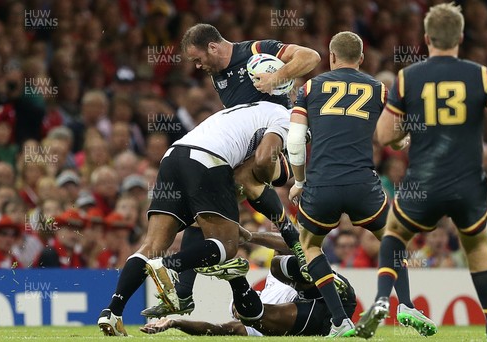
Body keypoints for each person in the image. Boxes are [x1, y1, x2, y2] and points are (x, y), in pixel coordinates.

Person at [356, 4, 487, 342]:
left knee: (393, 236)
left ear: (427, 38)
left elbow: (384, 136)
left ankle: (379, 301)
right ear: (461, 37)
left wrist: (406, 134)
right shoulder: (481, 75)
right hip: (468, 186)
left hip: (423, 185)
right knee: (477, 248)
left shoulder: (408, 77)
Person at [142, 24, 321, 318]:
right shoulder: (218, 76)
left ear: (213, 47)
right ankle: (185, 295)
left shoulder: (255, 51)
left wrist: (278, 76)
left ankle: (293, 241)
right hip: (240, 149)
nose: (198, 66)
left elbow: (311, 57)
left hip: (275, 141)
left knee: (246, 179)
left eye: (198, 59)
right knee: (202, 217)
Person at [97, 101, 290, 336]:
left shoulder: (247, 114)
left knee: (152, 245)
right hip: (207, 159)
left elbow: (202, 221)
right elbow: (258, 169)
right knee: (226, 246)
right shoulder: (282, 120)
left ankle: (113, 310)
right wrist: (284, 223)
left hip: (174, 155)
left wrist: (185, 291)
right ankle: (167, 265)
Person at [286, 31, 389, 337]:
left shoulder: (310, 86)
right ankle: (398, 302)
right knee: (393, 241)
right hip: (363, 182)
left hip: (322, 184)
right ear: (361, 58)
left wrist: (299, 181)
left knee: (310, 246)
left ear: (330, 56)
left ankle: (339, 319)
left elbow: (294, 142)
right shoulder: (379, 88)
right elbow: (395, 134)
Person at [141, 230, 356, 337]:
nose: (235, 311)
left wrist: (248, 236)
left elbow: (295, 241)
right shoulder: (251, 322)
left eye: (235, 307)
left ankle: (322, 277)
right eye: (236, 310)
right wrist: (175, 323)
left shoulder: (269, 284)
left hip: (322, 290)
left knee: (278, 264)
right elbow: (215, 329)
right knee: (257, 318)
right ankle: (236, 277)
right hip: (314, 314)